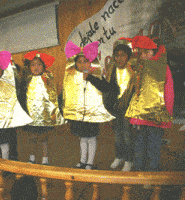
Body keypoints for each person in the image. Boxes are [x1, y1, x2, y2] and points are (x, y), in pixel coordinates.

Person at [83, 39, 136, 171]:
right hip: (116, 109)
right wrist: (91, 78)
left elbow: (136, 92)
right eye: (117, 55)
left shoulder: (133, 71)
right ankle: (119, 156)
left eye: (123, 55)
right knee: (118, 135)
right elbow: (106, 88)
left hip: (129, 110)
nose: (119, 58)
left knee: (128, 136)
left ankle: (129, 160)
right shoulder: (113, 70)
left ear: (128, 56)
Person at [62, 41, 115, 170]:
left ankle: (90, 162)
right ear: (75, 63)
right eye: (79, 62)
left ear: (91, 62)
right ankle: (82, 160)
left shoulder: (96, 76)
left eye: (85, 61)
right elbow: (67, 95)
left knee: (91, 138)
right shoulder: (72, 78)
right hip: (80, 115)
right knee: (82, 138)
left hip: (92, 114)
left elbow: (106, 88)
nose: (82, 64)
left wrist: (91, 78)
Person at [125, 35, 174, 172]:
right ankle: (139, 173)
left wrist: (166, 114)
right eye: (142, 53)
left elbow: (168, 92)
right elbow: (136, 93)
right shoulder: (140, 67)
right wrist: (134, 117)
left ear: (154, 52)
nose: (144, 55)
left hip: (157, 117)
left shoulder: (163, 68)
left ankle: (151, 175)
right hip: (141, 118)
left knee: (154, 147)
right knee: (139, 145)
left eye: (147, 52)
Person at [18, 50, 64, 165]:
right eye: (33, 65)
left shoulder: (48, 77)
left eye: (39, 64)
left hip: (44, 115)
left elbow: (53, 95)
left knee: (44, 138)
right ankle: (32, 157)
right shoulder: (27, 79)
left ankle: (45, 158)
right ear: (29, 67)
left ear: (44, 66)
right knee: (32, 137)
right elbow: (22, 95)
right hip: (31, 115)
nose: (36, 67)